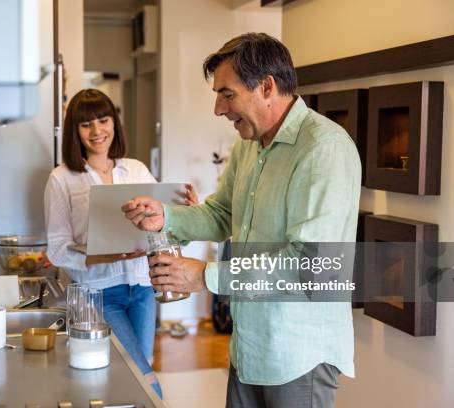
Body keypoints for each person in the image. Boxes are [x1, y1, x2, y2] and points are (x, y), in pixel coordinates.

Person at [122, 33, 361, 408]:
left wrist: (205, 275)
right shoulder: (249, 145)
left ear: (267, 86)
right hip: (249, 347)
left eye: (227, 94)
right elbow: (222, 213)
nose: (219, 108)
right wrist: (164, 216)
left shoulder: (323, 149)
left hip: (298, 355)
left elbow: (311, 263)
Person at [44, 89, 196, 398]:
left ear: (115, 123)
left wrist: (189, 214)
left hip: (143, 288)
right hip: (98, 295)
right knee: (145, 379)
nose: (97, 131)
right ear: (74, 130)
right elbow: (58, 250)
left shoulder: (136, 169)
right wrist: (106, 256)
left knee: (134, 381)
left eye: (103, 120)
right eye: (86, 124)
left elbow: (164, 232)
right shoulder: (62, 179)